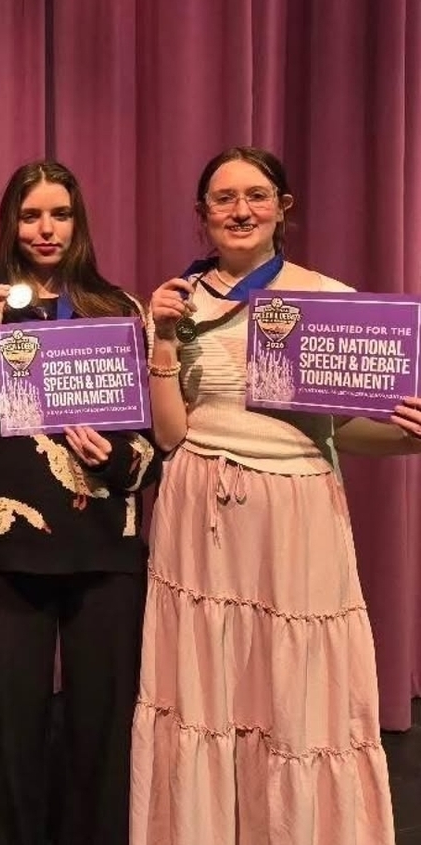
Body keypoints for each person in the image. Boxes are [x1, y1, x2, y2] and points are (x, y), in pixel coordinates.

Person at [132, 145, 421, 844]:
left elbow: (344, 432)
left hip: (295, 510)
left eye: (256, 196)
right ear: (202, 214)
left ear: (282, 208)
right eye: (224, 198)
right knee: (205, 689)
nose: (241, 210)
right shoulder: (177, 301)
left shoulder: (328, 300)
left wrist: (411, 436)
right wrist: (161, 340)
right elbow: (169, 434)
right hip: (198, 511)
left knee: (293, 689)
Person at [0, 161, 160, 845]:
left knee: (101, 731)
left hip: (104, 544)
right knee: (13, 734)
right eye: (30, 215)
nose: (45, 229)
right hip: (9, 547)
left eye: (59, 214)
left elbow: (152, 447)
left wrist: (113, 458)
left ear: (77, 222)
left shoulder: (119, 310)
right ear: (11, 223)